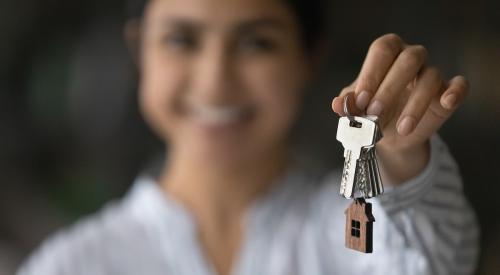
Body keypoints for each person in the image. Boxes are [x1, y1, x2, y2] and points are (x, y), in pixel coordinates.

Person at [17, 0, 479, 274]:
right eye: (182, 40)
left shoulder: (348, 234)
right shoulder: (72, 264)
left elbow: (423, 261)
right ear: (139, 49)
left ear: (308, 58)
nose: (216, 82)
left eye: (257, 42)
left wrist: (397, 159)